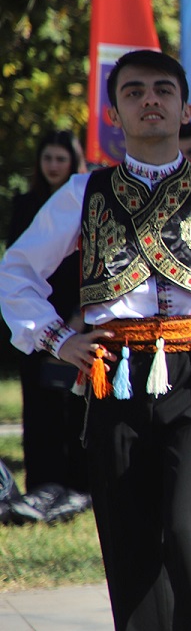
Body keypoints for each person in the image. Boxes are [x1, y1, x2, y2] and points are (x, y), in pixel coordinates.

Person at [0, 50, 191, 631]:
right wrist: (54, 339)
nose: (151, 102)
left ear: (184, 109)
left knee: (190, 528)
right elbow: (18, 269)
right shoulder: (83, 194)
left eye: (164, 91)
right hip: (114, 376)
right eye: (135, 92)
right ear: (112, 114)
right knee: (129, 538)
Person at [3, 130, 90, 525]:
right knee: (38, 406)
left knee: (73, 403)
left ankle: (76, 485)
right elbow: (17, 265)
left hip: (76, 316)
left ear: (73, 163)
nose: (54, 165)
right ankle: (42, 483)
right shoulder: (26, 203)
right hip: (37, 320)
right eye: (48, 158)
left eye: (61, 158)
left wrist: (79, 314)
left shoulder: (83, 200)